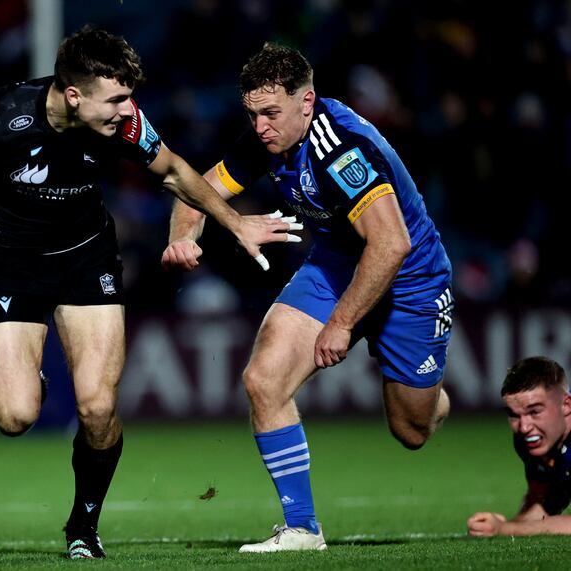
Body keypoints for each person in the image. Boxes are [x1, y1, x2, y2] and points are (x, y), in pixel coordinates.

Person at [0, 26, 295, 559]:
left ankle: (83, 525)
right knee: (14, 416)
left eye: (128, 97)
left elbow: (175, 171)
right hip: (11, 268)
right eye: (116, 99)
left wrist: (235, 222)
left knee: (98, 407)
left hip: (87, 262)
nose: (127, 109)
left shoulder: (124, 124)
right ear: (73, 95)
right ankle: (28, 371)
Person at [162, 43, 453, 552]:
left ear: (307, 102)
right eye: (252, 114)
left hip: (410, 278)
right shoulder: (268, 136)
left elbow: (391, 244)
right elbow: (196, 190)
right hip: (336, 267)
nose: (260, 127)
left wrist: (341, 324)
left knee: (412, 430)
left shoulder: (341, 149)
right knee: (263, 380)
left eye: (271, 113)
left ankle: (428, 393)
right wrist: (183, 237)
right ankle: (302, 528)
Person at [467, 356, 571, 536]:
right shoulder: (530, 441)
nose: (524, 427)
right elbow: (541, 501)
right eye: (514, 415)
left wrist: (506, 529)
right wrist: (504, 524)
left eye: (535, 411)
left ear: (566, 405)